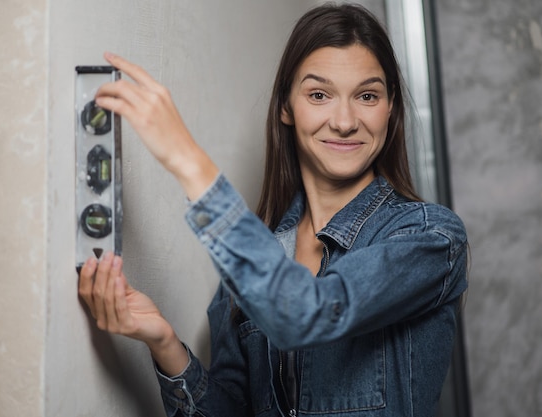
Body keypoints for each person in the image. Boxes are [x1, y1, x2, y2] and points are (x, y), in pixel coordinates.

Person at [78, 3, 468, 417]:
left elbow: (306, 312)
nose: (344, 121)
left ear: (390, 109)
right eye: (319, 95)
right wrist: (164, 343)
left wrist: (188, 161)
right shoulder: (249, 263)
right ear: (286, 107)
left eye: (367, 96)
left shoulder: (430, 238)